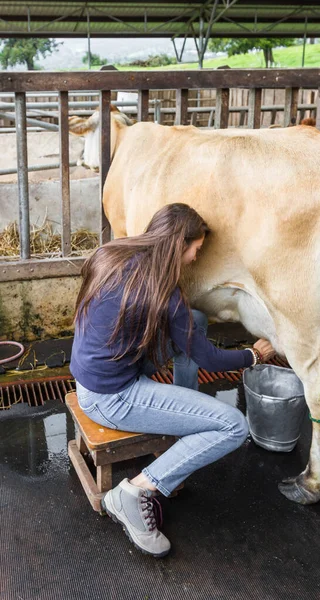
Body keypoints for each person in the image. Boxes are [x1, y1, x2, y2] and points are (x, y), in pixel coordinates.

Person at [70, 203, 275, 558]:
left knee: (195, 319)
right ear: (180, 243)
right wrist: (253, 355)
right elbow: (209, 359)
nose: (197, 257)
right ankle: (133, 493)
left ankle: (183, 419)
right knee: (233, 426)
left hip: (91, 376)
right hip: (113, 396)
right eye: (197, 249)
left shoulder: (111, 253)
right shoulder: (165, 294)